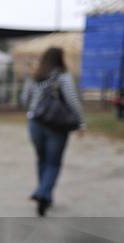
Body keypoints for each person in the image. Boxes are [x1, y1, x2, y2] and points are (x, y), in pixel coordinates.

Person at [21, 47, 85, 216]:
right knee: (53, 162)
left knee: (42, 159)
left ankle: (44, 194)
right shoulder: (64, 77)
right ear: (60, 59)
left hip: (35, 122)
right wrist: (81, 122)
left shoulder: (35, 76)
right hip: (57, 125)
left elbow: (24, 99)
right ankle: (43, 193)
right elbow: (72, 101)